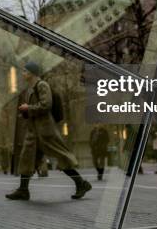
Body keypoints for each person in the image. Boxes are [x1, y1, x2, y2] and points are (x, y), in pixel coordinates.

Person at [6, 62, 92, 201]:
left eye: (25, 71)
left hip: (45, 131)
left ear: (32, 73)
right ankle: (23, 190)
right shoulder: (31, 89)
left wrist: (28, 108)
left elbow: (46, 105)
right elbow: (36, 108)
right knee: (27, 158)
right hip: (34, 132)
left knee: (62, 158)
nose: (23, 73)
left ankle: (81, 183)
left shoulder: (42, 85)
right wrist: (25, 112)